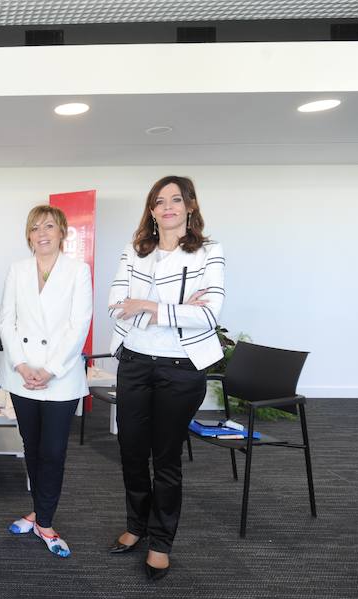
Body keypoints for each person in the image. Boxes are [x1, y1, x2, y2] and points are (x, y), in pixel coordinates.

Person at [107, 175, 225, 581]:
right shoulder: (134, 251)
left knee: (167, 458)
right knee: (132, 451)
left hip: (181, 368)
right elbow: (115, 306)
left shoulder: (210, 252)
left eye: (176, 199)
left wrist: (149, 305)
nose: (168, 207)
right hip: (135, 362)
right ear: (152, 210)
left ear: (190, 206)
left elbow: (210, 314)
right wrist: (175, 308)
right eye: (160, 201)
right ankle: (136, 525)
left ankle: (160, 542)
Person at [0, 205, 92, 558]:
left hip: (60, 377)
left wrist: (50, 369)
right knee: (32, 447)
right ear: (29, 235)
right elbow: (7, 321)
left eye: (49, 226)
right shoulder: (18, 270)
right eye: (35, 227)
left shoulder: (78, 271)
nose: (42, 233)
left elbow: (78, 324)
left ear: (62, 231)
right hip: (23, 376)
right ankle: (38, 511)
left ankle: (46, 522)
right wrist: (22, 366)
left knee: (53, 452)